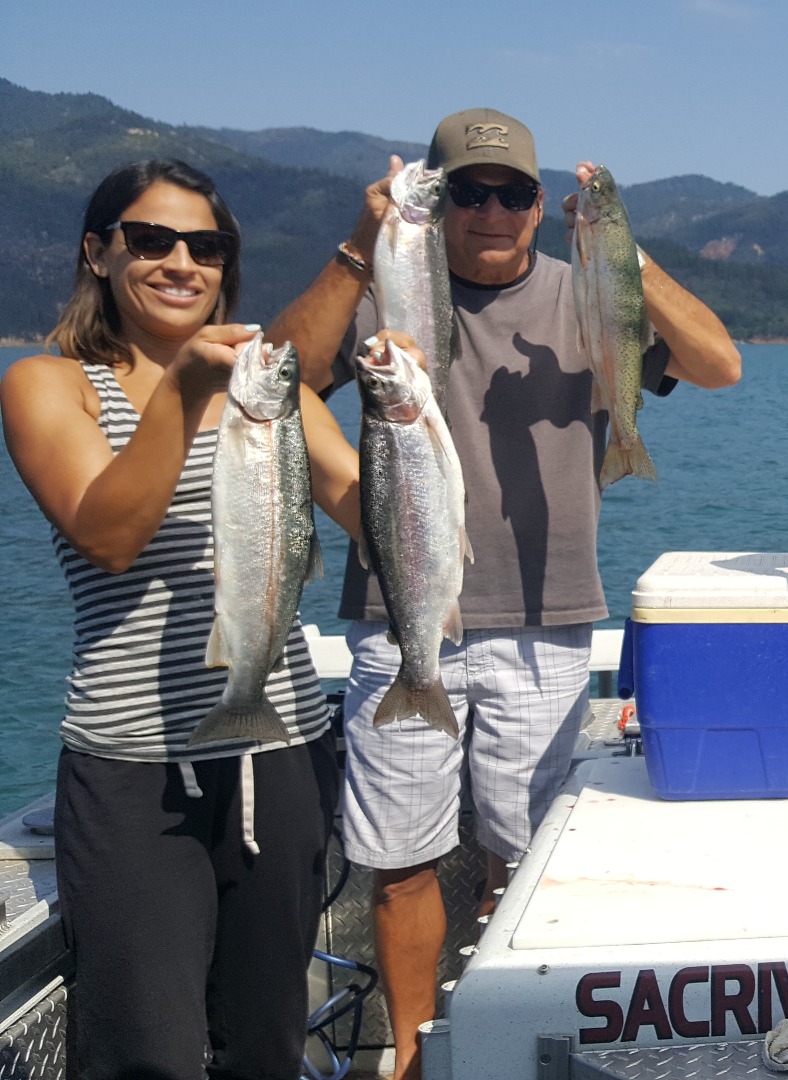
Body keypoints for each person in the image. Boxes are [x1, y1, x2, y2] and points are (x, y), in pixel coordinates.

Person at [268, 107, 741, 1080]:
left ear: (539, 205)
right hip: (400, 616)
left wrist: (622, 255)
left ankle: (506, 1041)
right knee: (399, 862)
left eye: (513, 192)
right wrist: (361, 245)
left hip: (550, 617)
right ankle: (407, 1055)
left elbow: (719, 365)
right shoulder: (389, 283)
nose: (491, 210)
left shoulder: (586, 293)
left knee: (523, 858)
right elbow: (282, 377)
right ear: (435, 205)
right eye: (467, 192)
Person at [0, 159, 362, 1078]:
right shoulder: (51, 384)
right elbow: (106, 534)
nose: (180, 263)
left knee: (266, 1043)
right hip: (134, 774)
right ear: (97, 253)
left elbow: (366, 506)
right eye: (150, 240)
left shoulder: (274, 387)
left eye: (206, 246)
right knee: (145, 1054)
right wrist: (185, 391)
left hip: (279, 757)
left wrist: (422, 429)